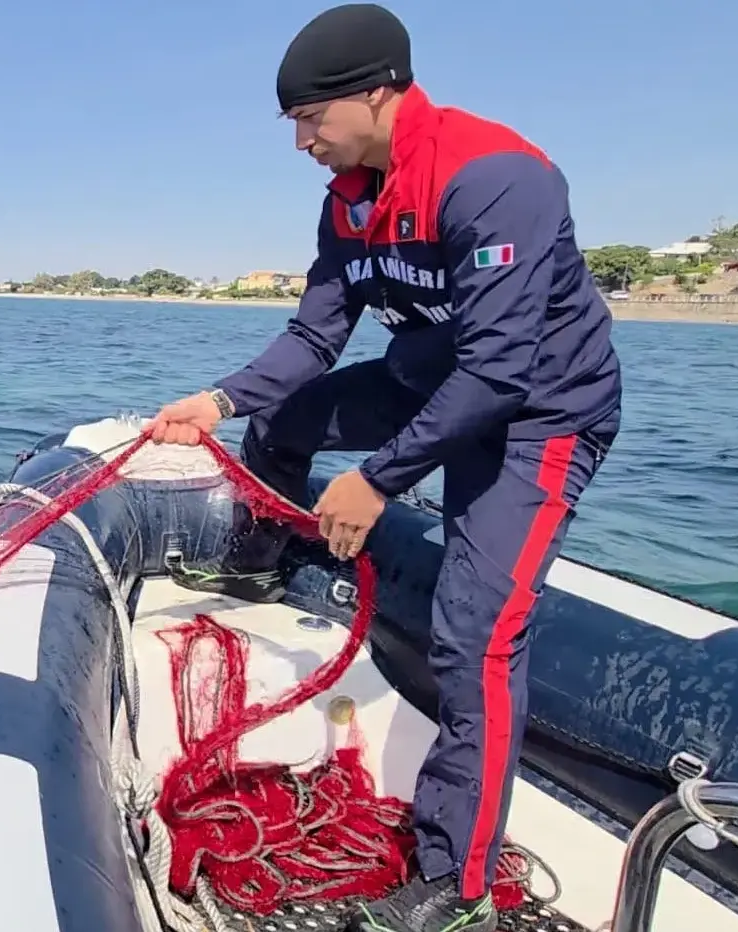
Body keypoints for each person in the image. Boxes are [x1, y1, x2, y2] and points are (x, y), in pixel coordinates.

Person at [146, 4, 623, 932]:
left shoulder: (495, 177)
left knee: (475, 635)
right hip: (426, 382)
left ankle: (459, 887)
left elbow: (498, 372)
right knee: (281, 422)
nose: (301, 142)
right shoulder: (346, 199)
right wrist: (220, 401)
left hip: (537, 415)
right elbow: (313, 337)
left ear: (376, 93)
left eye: (309, 118)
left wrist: (374, 480)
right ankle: (262, 562)